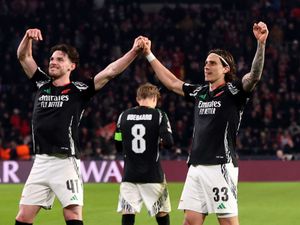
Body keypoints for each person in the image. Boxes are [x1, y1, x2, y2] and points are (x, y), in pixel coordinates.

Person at [140, 21, 269, 225]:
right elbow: (172, 82)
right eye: (206, 63)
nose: (206, 66)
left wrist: (260, 44)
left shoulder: (234, 91)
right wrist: (149, 54)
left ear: (226, 68)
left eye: (212, 63)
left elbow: (254, 76)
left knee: (227, 222)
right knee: (190, 221)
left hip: (221, 166)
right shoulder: (200, 92)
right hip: (196, 166)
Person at [15, 28, 143, 225]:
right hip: (40, 161)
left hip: (65, 162)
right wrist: (27, 37)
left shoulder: (79, 90)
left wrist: (134, 51)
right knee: (23, 217)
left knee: (73, 216)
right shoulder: (42, 84)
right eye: (51, 58)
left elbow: (110, 72)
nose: (53, 62)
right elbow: (23, 56)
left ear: (71, 66)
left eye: (60, 59)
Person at [114, 83, 174, 225]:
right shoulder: (159, 115)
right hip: (153, 174)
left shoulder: (123, 116)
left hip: (129, 174)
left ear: (137, 98)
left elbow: (117, 144)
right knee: (161, 212)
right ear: (155, 98)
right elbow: (169, 143)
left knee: (128, 212)